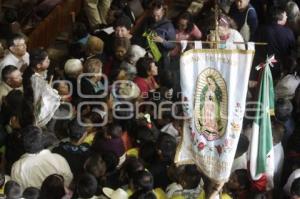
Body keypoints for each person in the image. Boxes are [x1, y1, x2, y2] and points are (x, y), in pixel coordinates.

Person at [11, 125, 73, 190]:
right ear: (42, 141)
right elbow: (68, 179)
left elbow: (17, 191)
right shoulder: (59, 159)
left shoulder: (17, 167)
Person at [22, 48, 60, 127]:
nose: (49, 61)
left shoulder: (33, 70)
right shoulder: (34, 79)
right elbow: (38, 98)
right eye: (46, 61)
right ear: (38, 65)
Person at [134, 0, 176, 69]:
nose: (155, 18)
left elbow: (172, 45)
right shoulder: (147, 20)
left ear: (163, 12)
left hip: (158, 56)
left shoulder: (169, 26)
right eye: (154, 15)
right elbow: (138, 34)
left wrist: (162, 41)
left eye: (158, 16)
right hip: (143, 50)